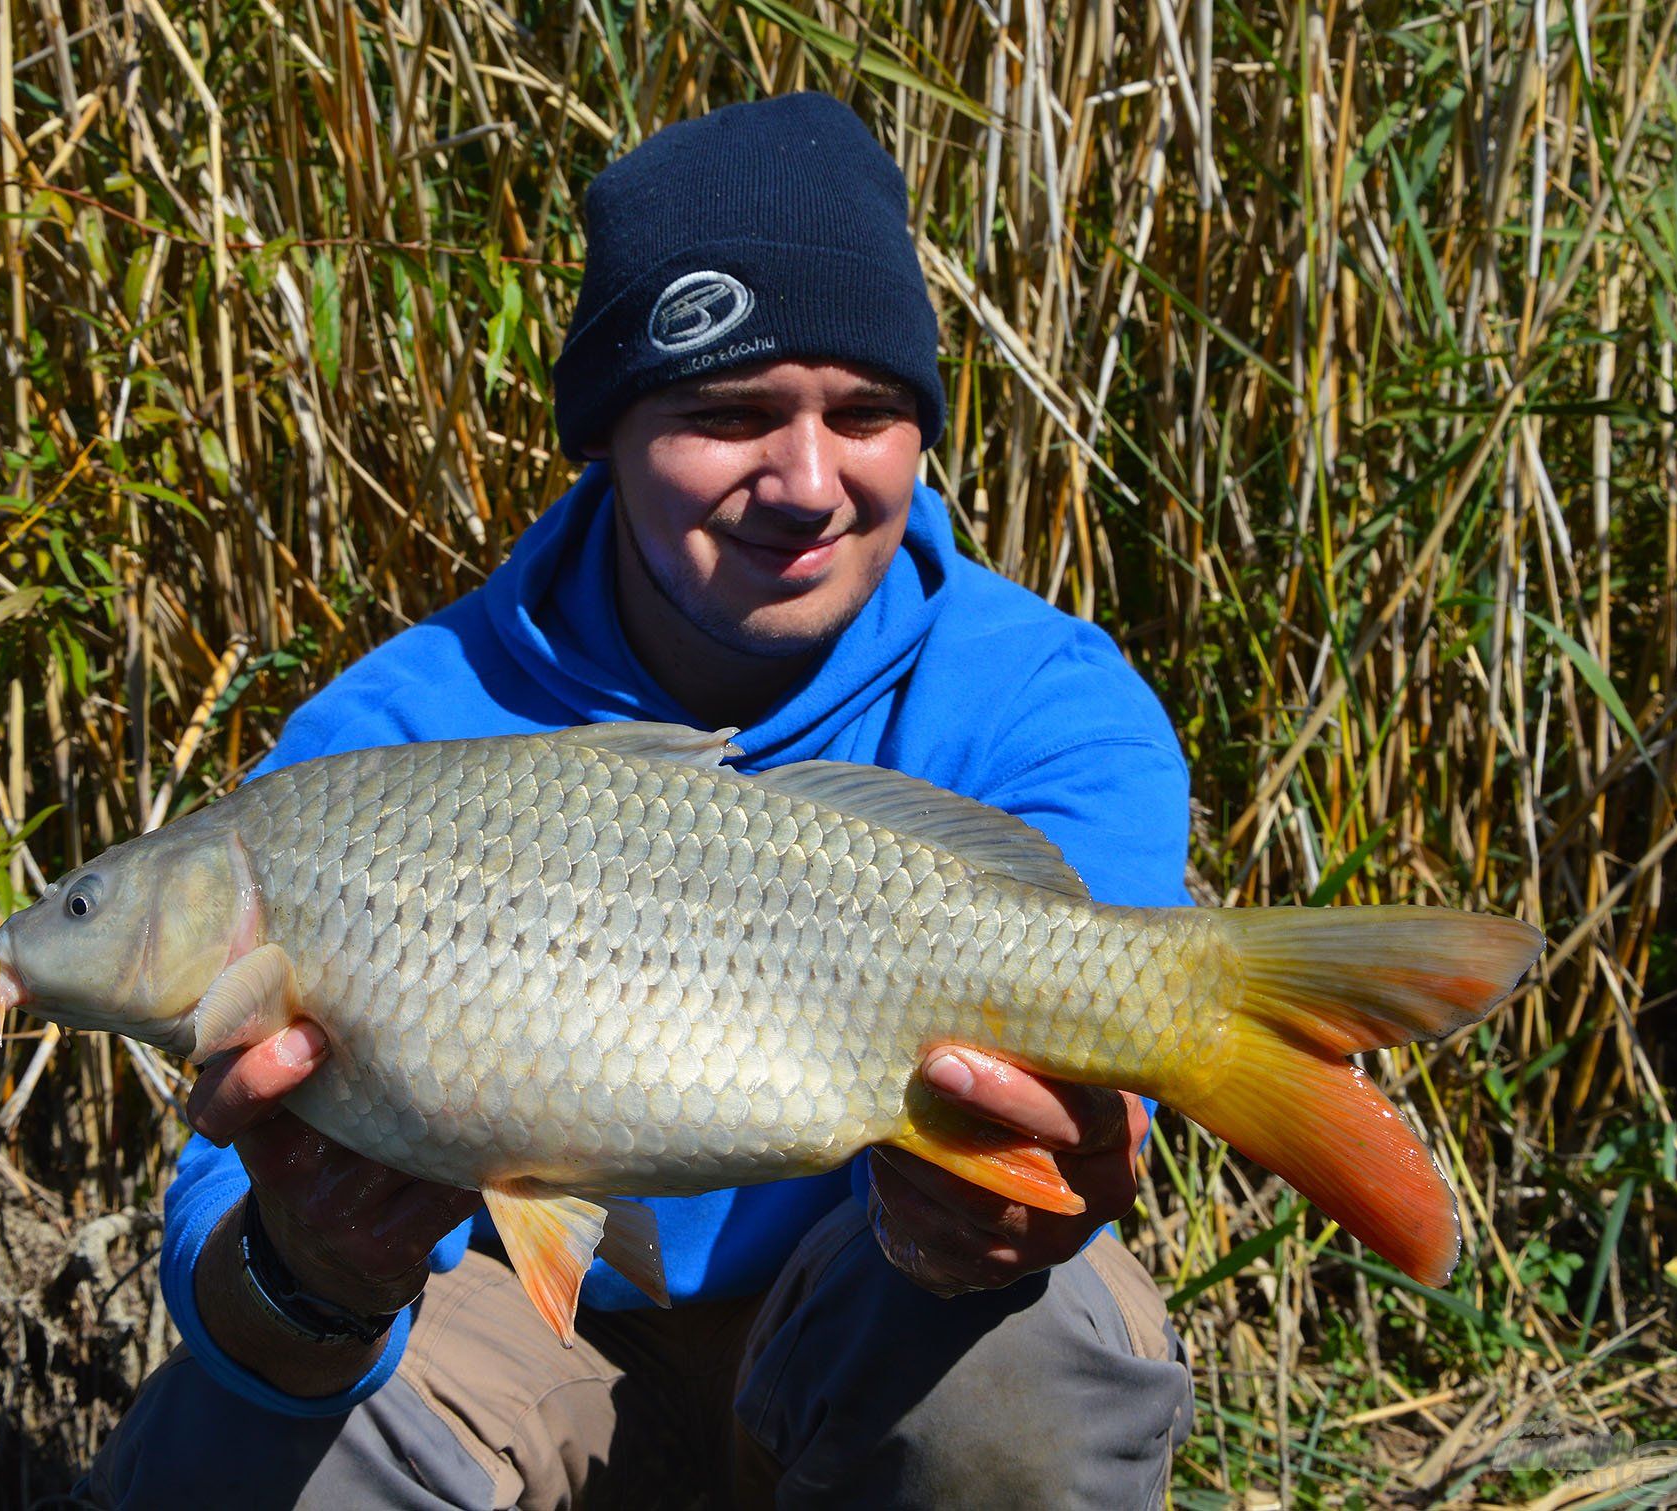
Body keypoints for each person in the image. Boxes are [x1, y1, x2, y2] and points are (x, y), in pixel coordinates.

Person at [86, 92, 1194, 1508]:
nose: (806, 482)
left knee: (1032, 1344)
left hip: (856, 1310)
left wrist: (1018, 1200)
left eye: (865, 414)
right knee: (241, 1451)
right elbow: (219, 1242)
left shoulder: (1046, 700)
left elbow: (1078, 1155)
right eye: (727, 415)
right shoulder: (386, 742)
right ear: (605, 435)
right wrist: (314, 1274)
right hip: (515, 1349)